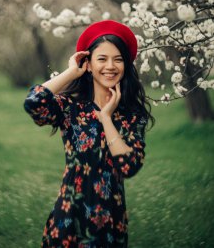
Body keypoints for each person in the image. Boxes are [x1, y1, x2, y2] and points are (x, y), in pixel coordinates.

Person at [24, 20, 155, 248]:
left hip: (110, 222)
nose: (110, 66)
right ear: (89, 65)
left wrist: (106, 118)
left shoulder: (133, 115)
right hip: (69, 216)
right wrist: (71, 72)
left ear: (126, 65)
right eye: (102, 59)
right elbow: (34, 103)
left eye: (118, 59)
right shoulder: (71, 108)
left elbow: (129, 166)